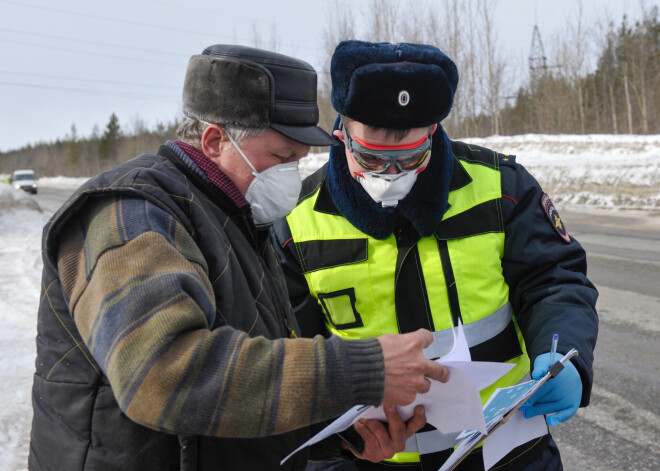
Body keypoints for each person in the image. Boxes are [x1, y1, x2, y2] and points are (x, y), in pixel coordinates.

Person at [28, 44, 450, 471]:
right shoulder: (132, 213)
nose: (291, 175)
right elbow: (162, 376)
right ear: (214, 140)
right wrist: (360, 370)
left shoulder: (236, 219)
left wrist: (340, 432)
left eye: (299, 161)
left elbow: (246, 384)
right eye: (281, 158)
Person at [271, 40, 599, 471]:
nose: (392, 176)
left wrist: (565, 353)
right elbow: (288, 350)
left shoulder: (501, 189)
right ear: (342, 134)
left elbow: (554, 280)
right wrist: (342, 439)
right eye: (371, 158)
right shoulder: (297, 221)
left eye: (411, 157)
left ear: (434, 133)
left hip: (506, 451)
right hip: (369, 460)